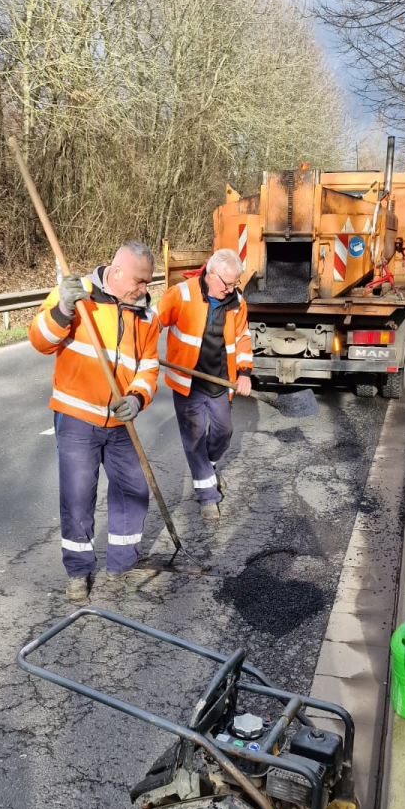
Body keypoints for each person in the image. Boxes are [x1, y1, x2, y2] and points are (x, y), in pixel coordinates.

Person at [28, 241, 159, 602]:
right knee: (77, 498)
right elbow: (39, 340)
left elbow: (148, 367)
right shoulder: (76, 294)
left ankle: (122, 563)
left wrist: (137, 397)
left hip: (120, 424)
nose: (144, 289)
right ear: (116, 272)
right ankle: (78, 573)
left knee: (134, 490)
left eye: (148, 282)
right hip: (76, 418)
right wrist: (64, 311)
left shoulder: (146, 314)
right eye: (139, 281)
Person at [156, 248, 252, 522]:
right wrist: (137, 351)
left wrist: (244, 372)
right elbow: (151, 324)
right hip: (187, 383)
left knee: (224, 431)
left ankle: (207, 469)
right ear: (211, 273)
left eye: (235, 284)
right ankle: (208, 498)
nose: (231, 289)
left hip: (219, 381)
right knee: (194, 439)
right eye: (227, 283)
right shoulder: (181, 294)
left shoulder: (237, 301)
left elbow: (243, 337)